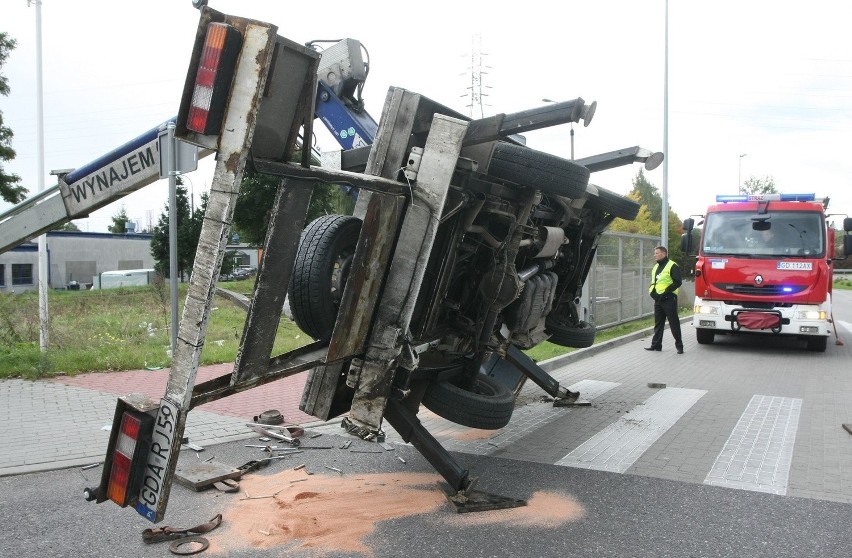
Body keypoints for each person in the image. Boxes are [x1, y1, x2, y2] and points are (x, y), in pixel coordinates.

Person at [645, 246, 684, 354]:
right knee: (658, 323)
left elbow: (677, 282)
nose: (655, 255)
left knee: (673, 323)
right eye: (655, 253)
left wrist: (666, 292)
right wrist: (652, 293)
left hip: (669, 299)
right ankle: (656, 345)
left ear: (664, 254)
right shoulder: (655, 267)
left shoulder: (672, 265)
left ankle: (679, 346)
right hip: (658, 299)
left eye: (657, 253)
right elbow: (654, 282)